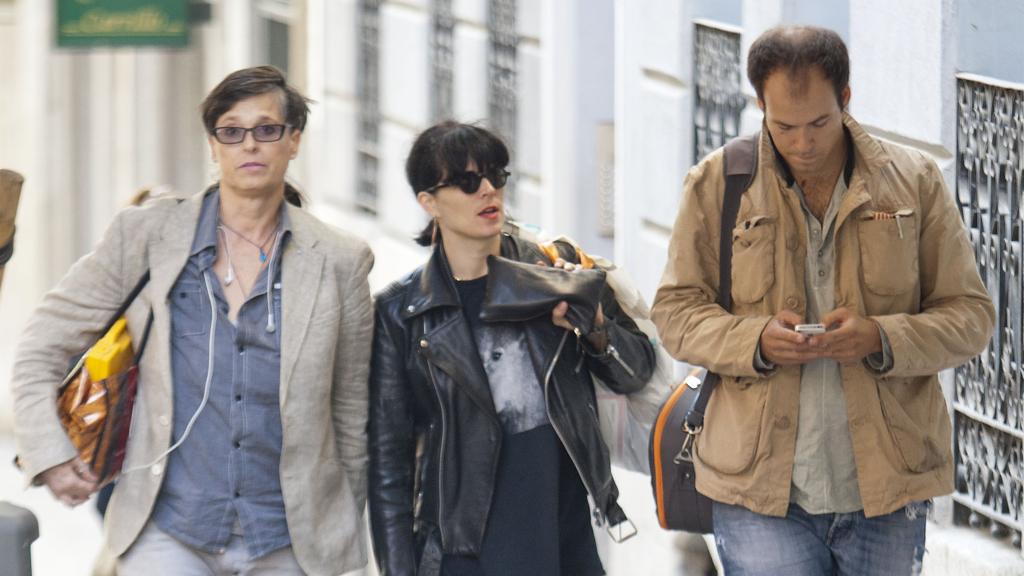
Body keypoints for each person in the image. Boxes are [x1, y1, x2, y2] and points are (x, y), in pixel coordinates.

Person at [651, 26, 995, 575]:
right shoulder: (718, 183)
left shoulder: (913, 181)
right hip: (756, 491)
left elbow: (971, 316)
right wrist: (756, 341)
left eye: (818, 123)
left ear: (846, 99)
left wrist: (880, 337)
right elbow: (675, 314)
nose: (803, 143)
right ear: (760, 106)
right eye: (784, 126)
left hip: (887, 487)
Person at [10, 65, 374, 576]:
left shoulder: (340, 260)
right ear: (213, 144)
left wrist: (340, 532)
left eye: (267, 129)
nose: (250, 144)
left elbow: (351, 412)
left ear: (294, 141)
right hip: (169, 528)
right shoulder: (146, 235)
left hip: (289, 540)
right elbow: (42, 344)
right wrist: (47, 450)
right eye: (232, 131)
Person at [368, 121, 656, 576]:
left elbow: (636, 372)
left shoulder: (556, 271)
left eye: (495, 175)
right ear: (429, 202)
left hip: (562, 536)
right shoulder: (402, 313)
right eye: (467, 181)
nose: (487, 190)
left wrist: (594, 327)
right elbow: (389, 463)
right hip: (465, 552)